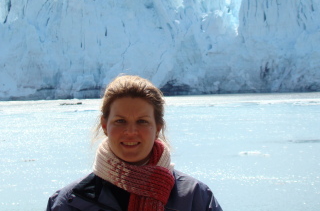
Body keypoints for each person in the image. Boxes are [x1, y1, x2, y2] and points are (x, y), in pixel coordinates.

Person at [46, 75, 222, 211]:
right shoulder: (68, 202)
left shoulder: (195, 197)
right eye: (120, 121)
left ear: (158, 128)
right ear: (105, 126)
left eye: (142, 121)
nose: (130, 132)